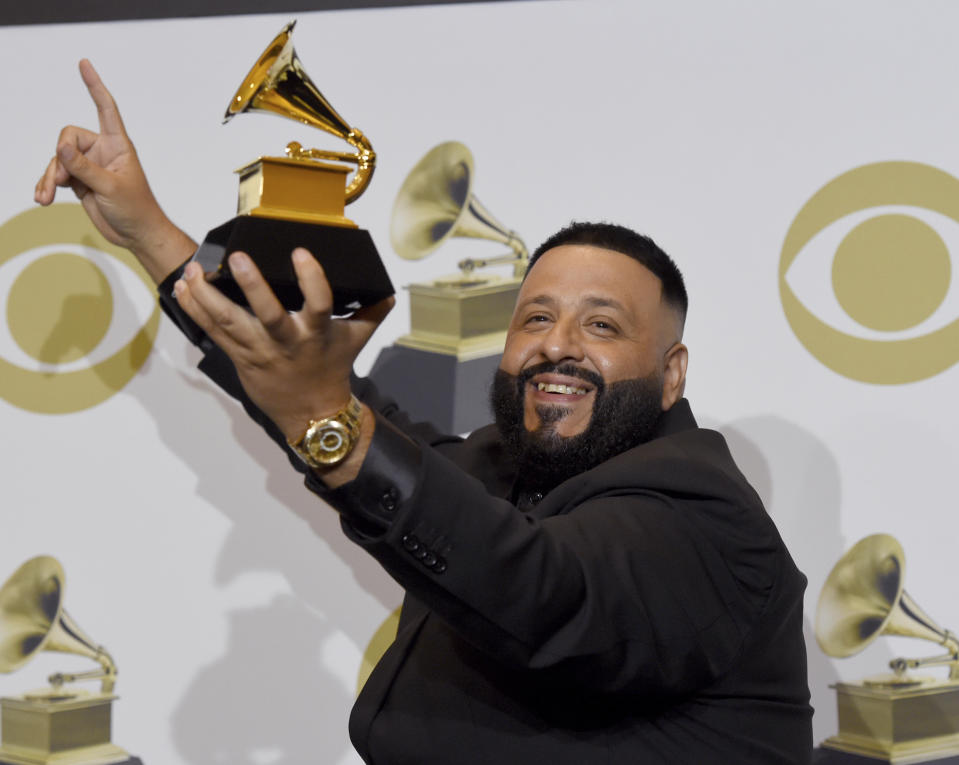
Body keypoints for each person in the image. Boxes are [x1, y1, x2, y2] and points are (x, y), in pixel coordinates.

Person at [37, 61, 814, 764]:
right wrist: (153, 234)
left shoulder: (704, 511)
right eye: (534, 318)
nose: (557, 346)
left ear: (671, 372)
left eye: (602, 325)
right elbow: (313, 395)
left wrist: (327, 420)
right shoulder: (494, 469)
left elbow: (545, 592)